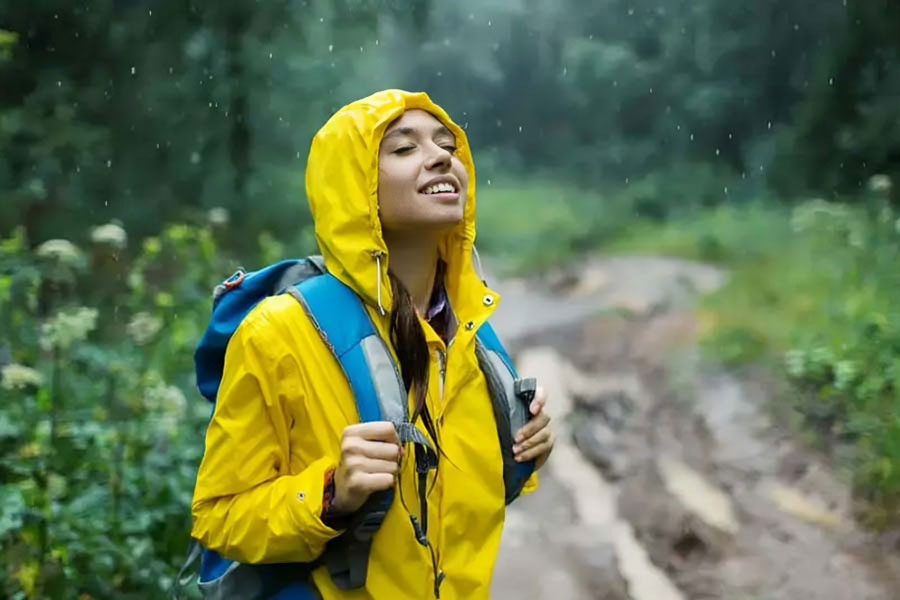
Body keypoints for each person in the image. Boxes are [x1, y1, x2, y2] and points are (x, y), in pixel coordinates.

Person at [190, 89, 554, 599]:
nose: (441, 157)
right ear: (352, 187)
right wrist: (330, 492)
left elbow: (455, 511)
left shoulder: (473, 334)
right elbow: (219, 517)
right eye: (405, 149)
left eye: (447, 145)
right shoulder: (279, 333)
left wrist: (523, 449)